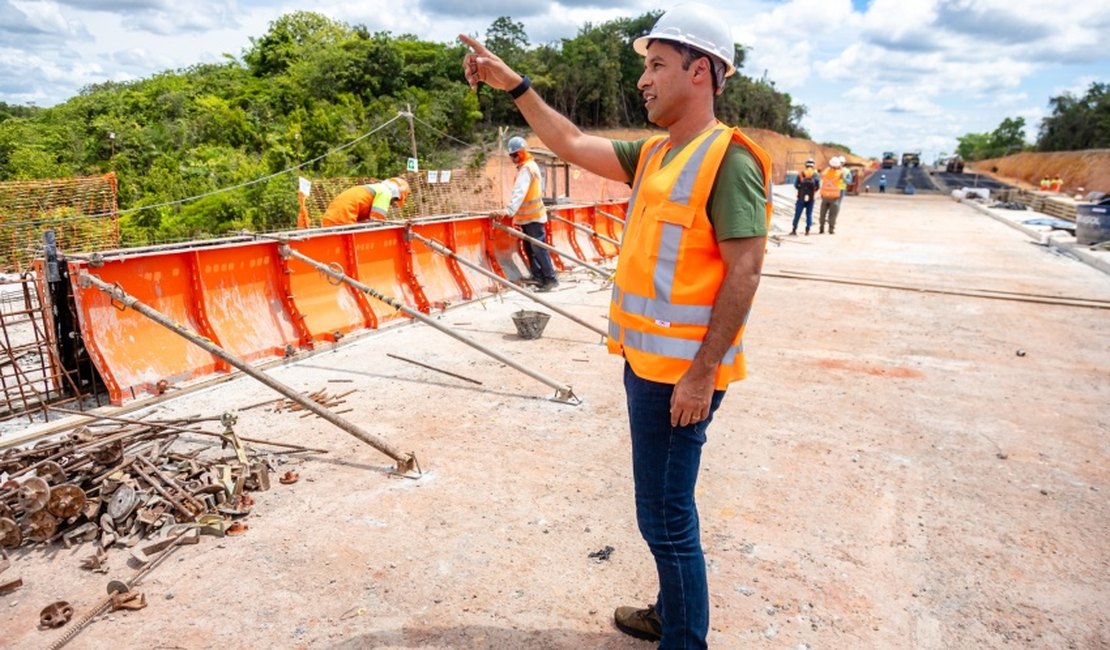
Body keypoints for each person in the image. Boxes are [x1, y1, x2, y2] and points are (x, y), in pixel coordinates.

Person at [461, 4, 772, 648]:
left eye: (657, 66)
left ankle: (683, 638)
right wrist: (514, 84)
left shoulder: (730, 160)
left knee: (665, 517)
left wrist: (702, 374)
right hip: (646, 362)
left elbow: (745, 272)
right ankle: (669, 612)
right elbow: (572, 143)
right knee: (664, 507)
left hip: (681, 377)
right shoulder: (657, 152)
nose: (643, 79)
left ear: (701, 71)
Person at [499, 136, 558, 291]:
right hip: (527, 217)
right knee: (530, 249)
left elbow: (520, 192)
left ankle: (550, 279)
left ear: (521, 153)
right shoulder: (528, 167)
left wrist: (509, 210)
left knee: (538, 248)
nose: (513, 159)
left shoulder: (527, 169)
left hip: (533, 217)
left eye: (514, 155)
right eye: (511, 156)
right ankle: (538, 276)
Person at [319, 177, 410, 227]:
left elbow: (367, 220)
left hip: (331, 219)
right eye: (395, 200)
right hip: (343, 220)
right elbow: (377, 222)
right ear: (396, 194)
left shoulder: (376, 189)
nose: (392, 203)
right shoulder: (385, 192)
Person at [791, 158, 819, 235]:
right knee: (809, 214)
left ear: (806, 165)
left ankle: (794, 229)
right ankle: (807, 230)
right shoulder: (816, 175)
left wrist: (801, 189)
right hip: (811, 198)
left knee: (797, 214)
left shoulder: (801, 174)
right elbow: (818, 187)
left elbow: (796, 185)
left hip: (801, 197)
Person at [818, 157, 843, 234]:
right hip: (834, 197)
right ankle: (831, 230)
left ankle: (821, 228)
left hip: (825, 196)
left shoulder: (825, 172)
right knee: (832, 214)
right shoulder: (839, 173)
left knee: (822, 213)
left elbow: (822, 173)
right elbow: (842, 177)